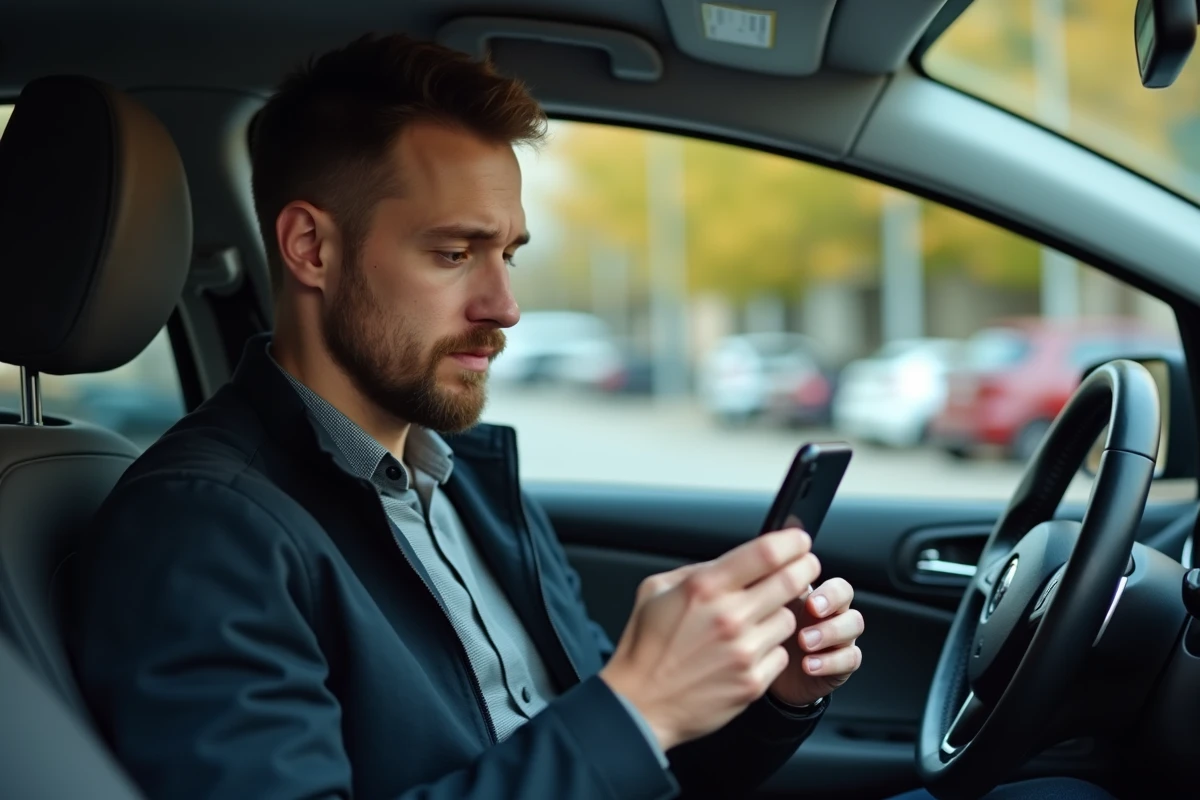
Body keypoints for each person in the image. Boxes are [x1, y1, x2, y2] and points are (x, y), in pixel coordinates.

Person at [66, 32, 1118, 800]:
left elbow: (622, 768)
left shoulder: (461, 477)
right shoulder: (201, 527)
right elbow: (607, 741)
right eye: (453, 252)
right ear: (310, 249)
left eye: (509, 252)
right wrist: (636, 703)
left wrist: (767, 695)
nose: (504, 305)